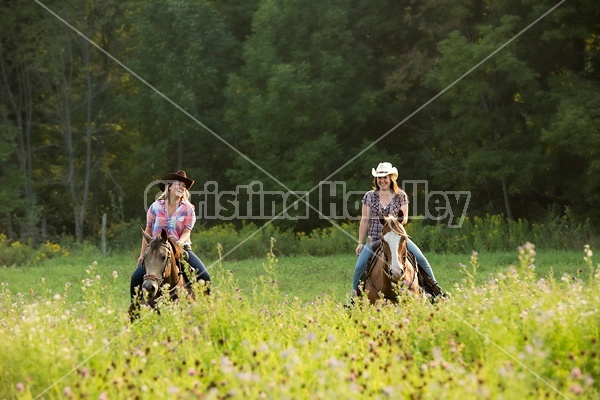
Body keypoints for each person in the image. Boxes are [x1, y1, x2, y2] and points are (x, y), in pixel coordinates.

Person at [351, 162, 442, 295]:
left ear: (391, 178)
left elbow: (404, 218)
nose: (382, 181)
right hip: (375, 238)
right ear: (376, 180)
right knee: (359, 266)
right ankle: (354, 296)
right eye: (379, 178)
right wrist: (360, 242)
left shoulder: (401, 196)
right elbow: (365, 220)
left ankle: (436, 291)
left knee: (421, 259)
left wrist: (392, 220)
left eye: (385, 177)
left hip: (398, 238)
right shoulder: (369, 196)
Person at [130, 170, 210, 301]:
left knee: (205, 276)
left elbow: (187, 232)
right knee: (135, 278)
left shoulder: (188, 209)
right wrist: (142, 254)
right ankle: (134, 309)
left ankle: (207, 307)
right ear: (169, 186)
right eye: (178, 184)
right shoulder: (155, 207)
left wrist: (179, 242)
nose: (181, 187)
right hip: (156, 249)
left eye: (184, 186)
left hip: (181, 248)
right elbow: (148, 231)